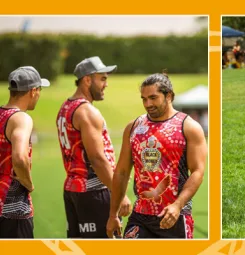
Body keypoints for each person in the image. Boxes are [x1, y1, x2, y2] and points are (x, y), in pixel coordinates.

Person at [106, 71, 207, 239]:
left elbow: (198, 171)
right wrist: (113, 215)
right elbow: (122, 172)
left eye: (153, 98)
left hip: (174, 216)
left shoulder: (189, 127)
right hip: (140, 217)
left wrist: (177, 205)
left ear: (169, 96)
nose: (147, 104)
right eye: (144, 99)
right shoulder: (133, 127)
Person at [56, 56, 131, 238]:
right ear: (87, 80)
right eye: (102, 78)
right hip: (94, 192)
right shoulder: (87, 111)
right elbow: (97, 158)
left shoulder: (65, 107)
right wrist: (118, 192)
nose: (106, 84)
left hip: (73, 190)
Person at [0, 66, 50, 238]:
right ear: (33, 91)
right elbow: (20, 158)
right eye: (40, 90)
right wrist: (28, 183)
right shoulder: (21, 118)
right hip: (13, 210)